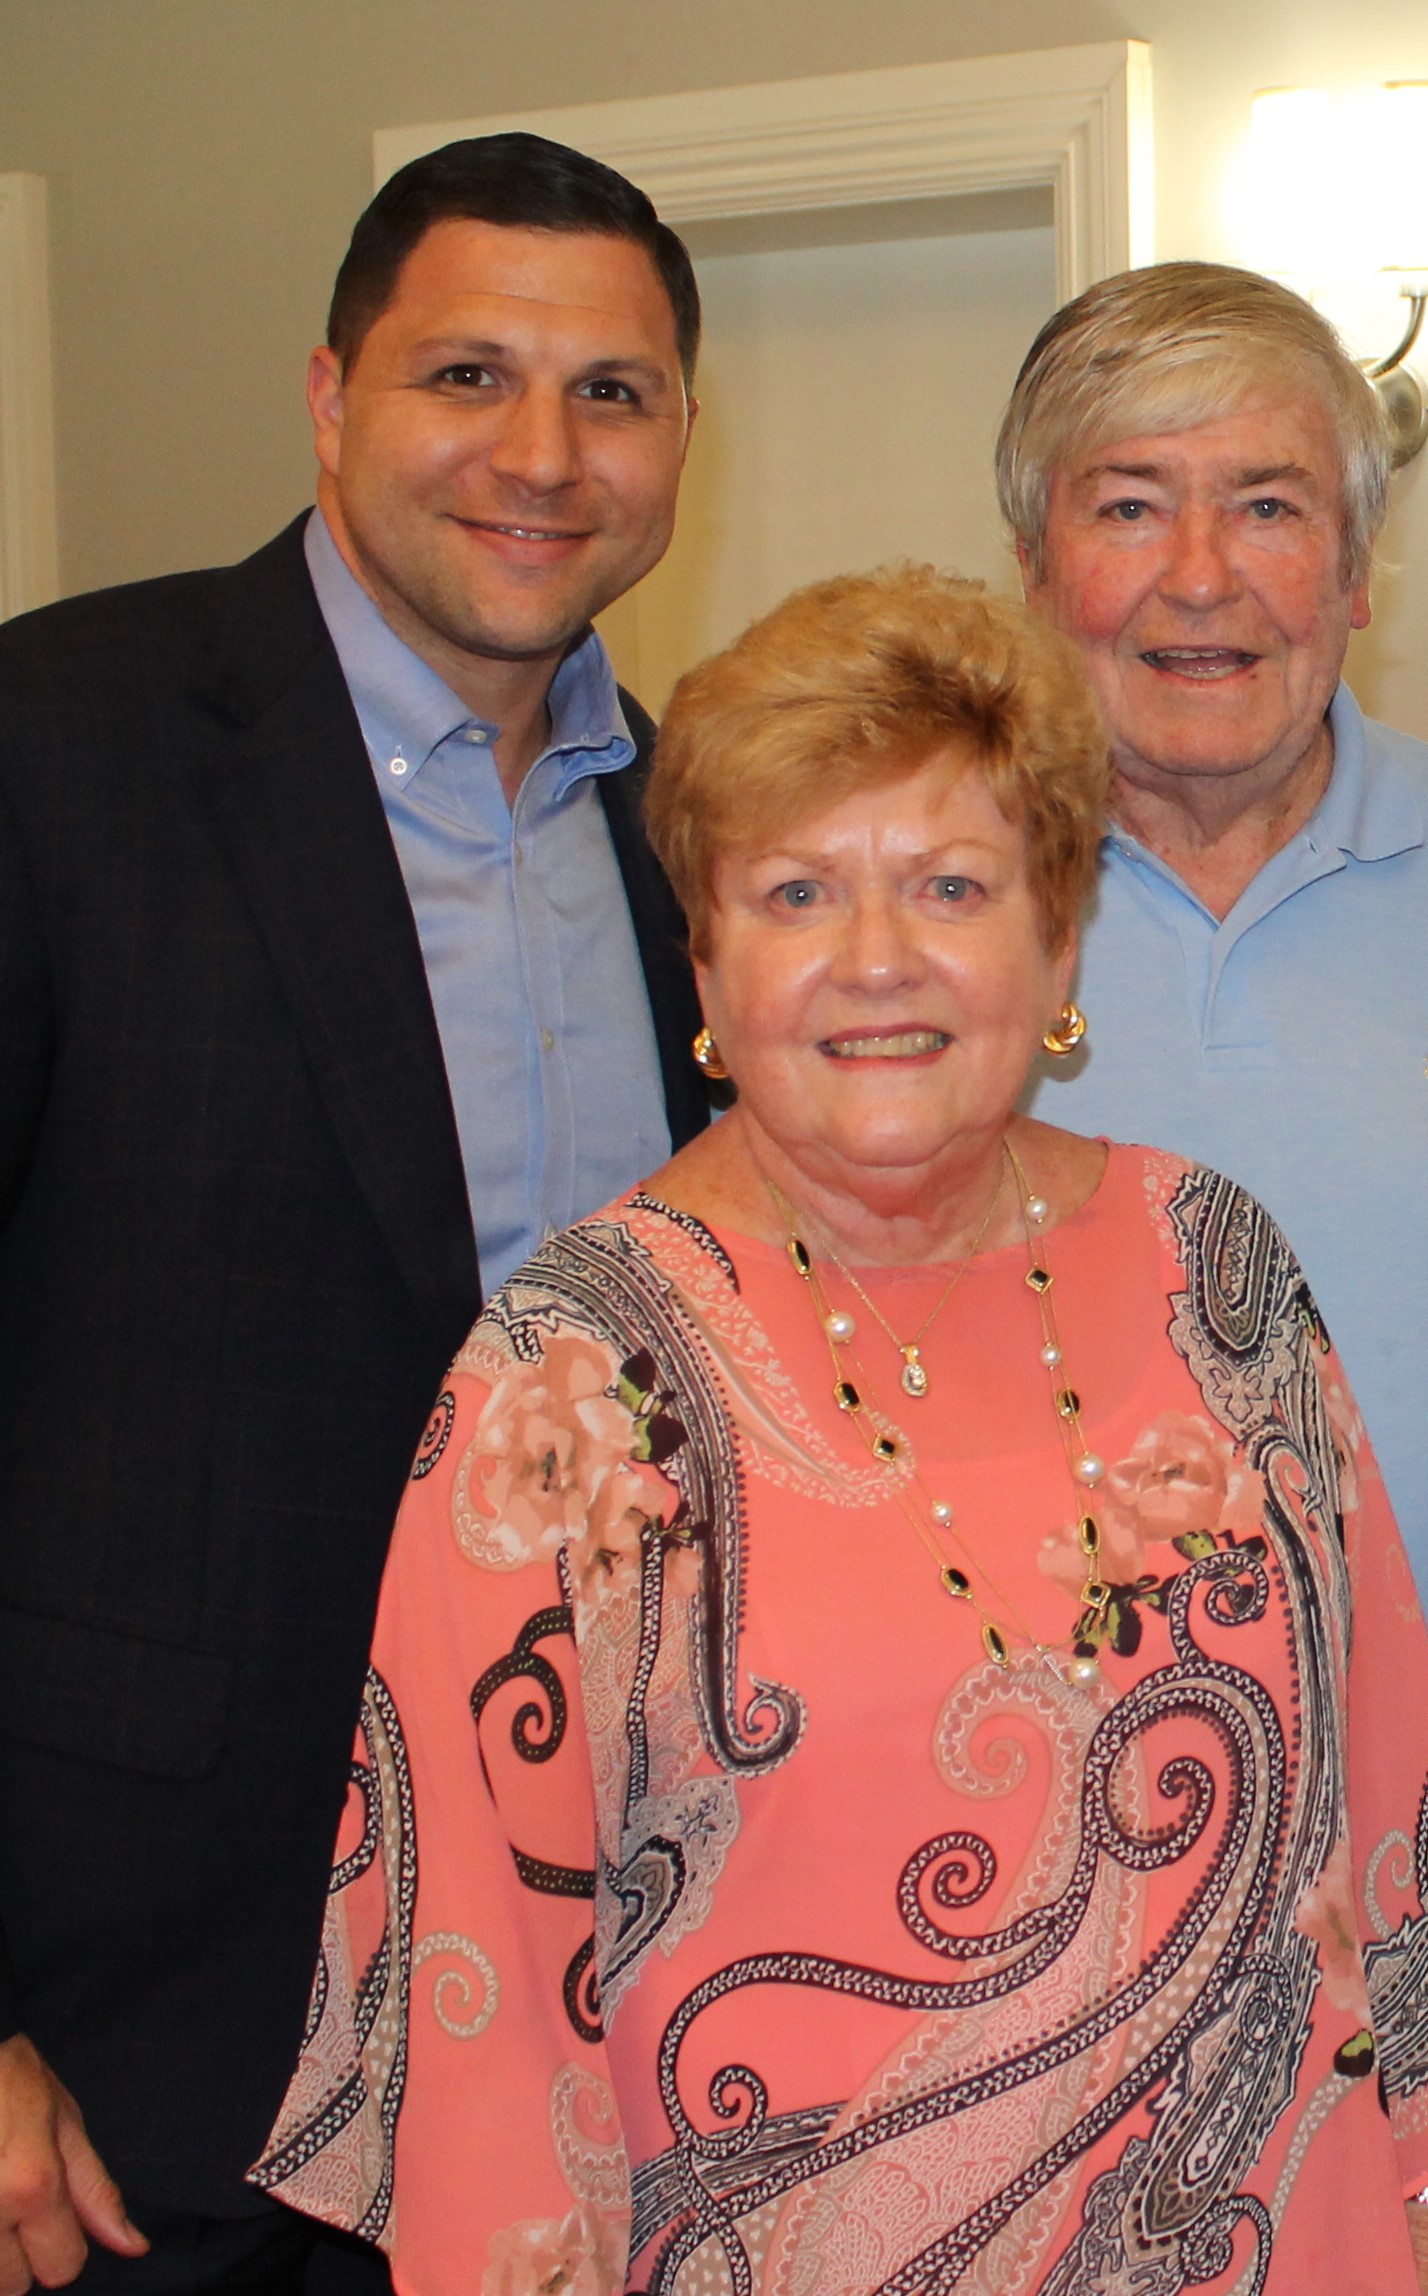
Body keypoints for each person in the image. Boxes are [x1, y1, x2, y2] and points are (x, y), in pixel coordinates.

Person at [255, 567, 1428, 2295]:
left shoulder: (1212, 1263)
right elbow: (481, 2015)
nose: (877, 960)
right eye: (796, 892)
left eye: (951, 886)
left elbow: (1394, 1782)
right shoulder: (565, 1387)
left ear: (1058, 942)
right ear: (704, 960)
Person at [0, 132, 711, 2293]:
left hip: (587, 2016)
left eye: (609, 391)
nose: (541, 453)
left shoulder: (695, 831)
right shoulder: (49, 745)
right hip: (130, 2044)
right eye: (465, 374)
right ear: (328, 399)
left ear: (682, 436)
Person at [1000, 260, 1428, 1738]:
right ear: (1031, 565)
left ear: (1356, 568)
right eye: (1128, 507)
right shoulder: (920, 907)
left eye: (1267, 506)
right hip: (1020, 1814)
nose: (1200, 575)